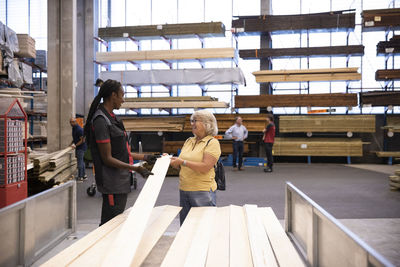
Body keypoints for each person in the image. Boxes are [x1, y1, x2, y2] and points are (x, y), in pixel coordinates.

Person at [84, 79, 158, 225]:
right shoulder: (101, 121)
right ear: (113, 95)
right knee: (110, 224)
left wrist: (146, 157)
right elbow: (107, 158)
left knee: (116, 222)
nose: (123, 100)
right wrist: (136, 168)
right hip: (112, 182)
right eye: (122, 95)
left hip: (120, 180)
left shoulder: (112, 118)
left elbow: (122, 151)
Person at [169, 110, 221, 224]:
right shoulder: (189, 141)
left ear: (207, 123)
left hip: (202, 192)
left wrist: (182, 162)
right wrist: (171, 161)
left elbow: (205, 167)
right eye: (191, 121)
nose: (192, 124)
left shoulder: (212, 143)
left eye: (195, 121)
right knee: (185, 227)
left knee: (202, 228)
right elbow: (180, 165)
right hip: (184, 190)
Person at [70, 117, 87, 181]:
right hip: (79, 147)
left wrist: (75, 145)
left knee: (79, 162)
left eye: (73, 122)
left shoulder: (79, 129)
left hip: (81, 147)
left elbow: (82, 140)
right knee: (82, 161)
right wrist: (71, 143)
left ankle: (80, 177)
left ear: (75, 122)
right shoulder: (74, 128)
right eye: (70, 122)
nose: (71, 123)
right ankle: (84, 175)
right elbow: (75, 138)